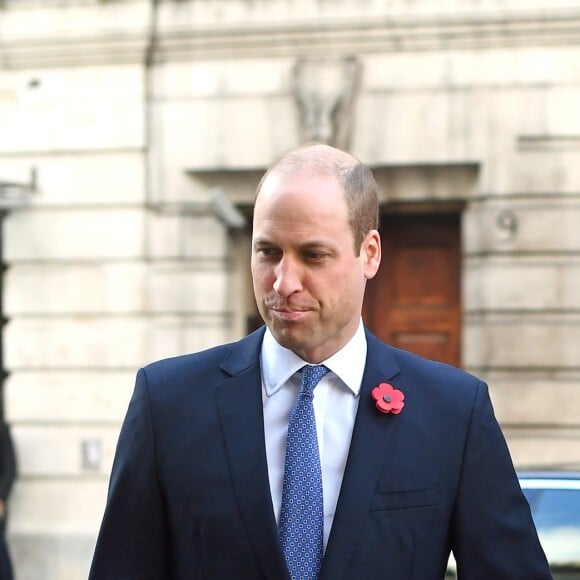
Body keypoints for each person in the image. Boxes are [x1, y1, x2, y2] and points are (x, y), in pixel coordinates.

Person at [89, 143, 551, 579]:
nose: (284, 281)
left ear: (368, 254)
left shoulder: (453, 412)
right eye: (267, 252)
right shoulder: (168, 404)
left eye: (313, 255)